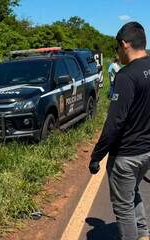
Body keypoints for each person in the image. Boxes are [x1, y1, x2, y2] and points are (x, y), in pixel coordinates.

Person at [89, 22, 150, 240]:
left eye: (117, 48)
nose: (117, 53)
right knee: (132, 193)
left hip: (126, 156)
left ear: (124, 45)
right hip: (146, 153)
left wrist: (96, 156)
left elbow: (114, 123)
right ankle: (143, 234)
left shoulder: (126, 76)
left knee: (123, 207)